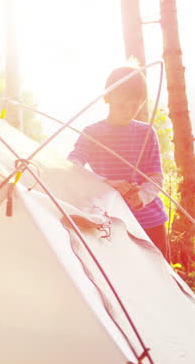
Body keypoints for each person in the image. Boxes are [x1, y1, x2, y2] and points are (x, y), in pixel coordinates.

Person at [67, 67, 169, 261]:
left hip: (150, 222)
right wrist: (106, 182)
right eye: (122, 105)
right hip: (114, 220)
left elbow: (155, 177)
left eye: (135, 105)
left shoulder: (146, 133)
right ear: (107, 98)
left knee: (158, 276)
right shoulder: (93, 133)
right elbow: (73, 164)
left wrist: (141, 196)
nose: (129, 112)